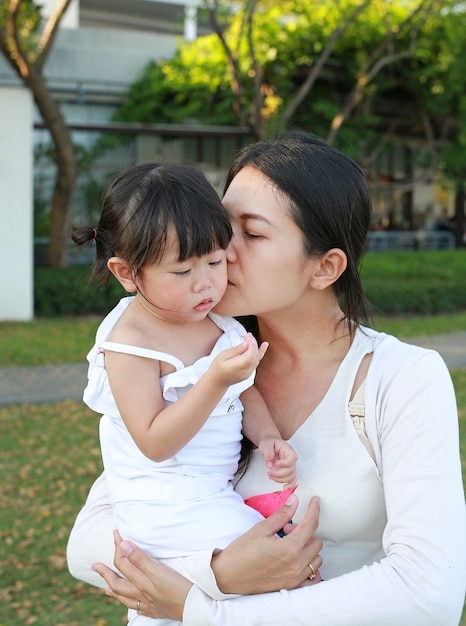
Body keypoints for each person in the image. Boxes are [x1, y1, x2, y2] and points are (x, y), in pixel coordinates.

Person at [67, 132, 466, 626]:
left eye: (251, 234)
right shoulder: (193, 359)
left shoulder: (401, 379)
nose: (218, 249)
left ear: (325, 267)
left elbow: (430, 593)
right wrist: (219, 574)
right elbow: (87, 546)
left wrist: (202, 609)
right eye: (220, 225)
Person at [70, 162, 299, 626]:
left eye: (215, 262)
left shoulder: (217, 322)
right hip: (164, 507)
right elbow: (154, 442)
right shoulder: (129, 344)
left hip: (209, 496)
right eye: (181, 271)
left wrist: (269, 435)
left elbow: (243, 392)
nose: (206, 283)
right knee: (277, 565)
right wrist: (213, 379)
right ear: (126, 273)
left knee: (272, 571)